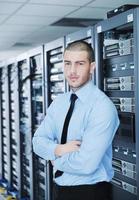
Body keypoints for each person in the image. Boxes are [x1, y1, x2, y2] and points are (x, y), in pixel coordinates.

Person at [32, 40, 119, 200]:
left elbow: (86, 164)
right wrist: (59, 149)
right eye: (67, 63)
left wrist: (54, 159)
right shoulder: (59, 102)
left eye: (80, 64)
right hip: (59, 189)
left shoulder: (102, 107)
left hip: (91, 192)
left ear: (92, 67)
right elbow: (37, 142)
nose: (72, 71)